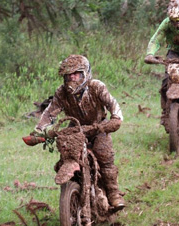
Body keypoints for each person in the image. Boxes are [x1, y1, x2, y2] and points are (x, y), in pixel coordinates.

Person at [34, 54, 125, 210]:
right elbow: (49, 113)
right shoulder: (62, 92)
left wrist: (115, 118)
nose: (72, 78)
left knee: (104, 153)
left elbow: (113, 105)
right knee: (66, 154)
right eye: (68, 75)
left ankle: (113, 193)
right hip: (75, 129)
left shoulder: (96, 86)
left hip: (98, 127)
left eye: (76, 73)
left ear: (85, 73)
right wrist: (39, 130)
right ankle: (75, 186)